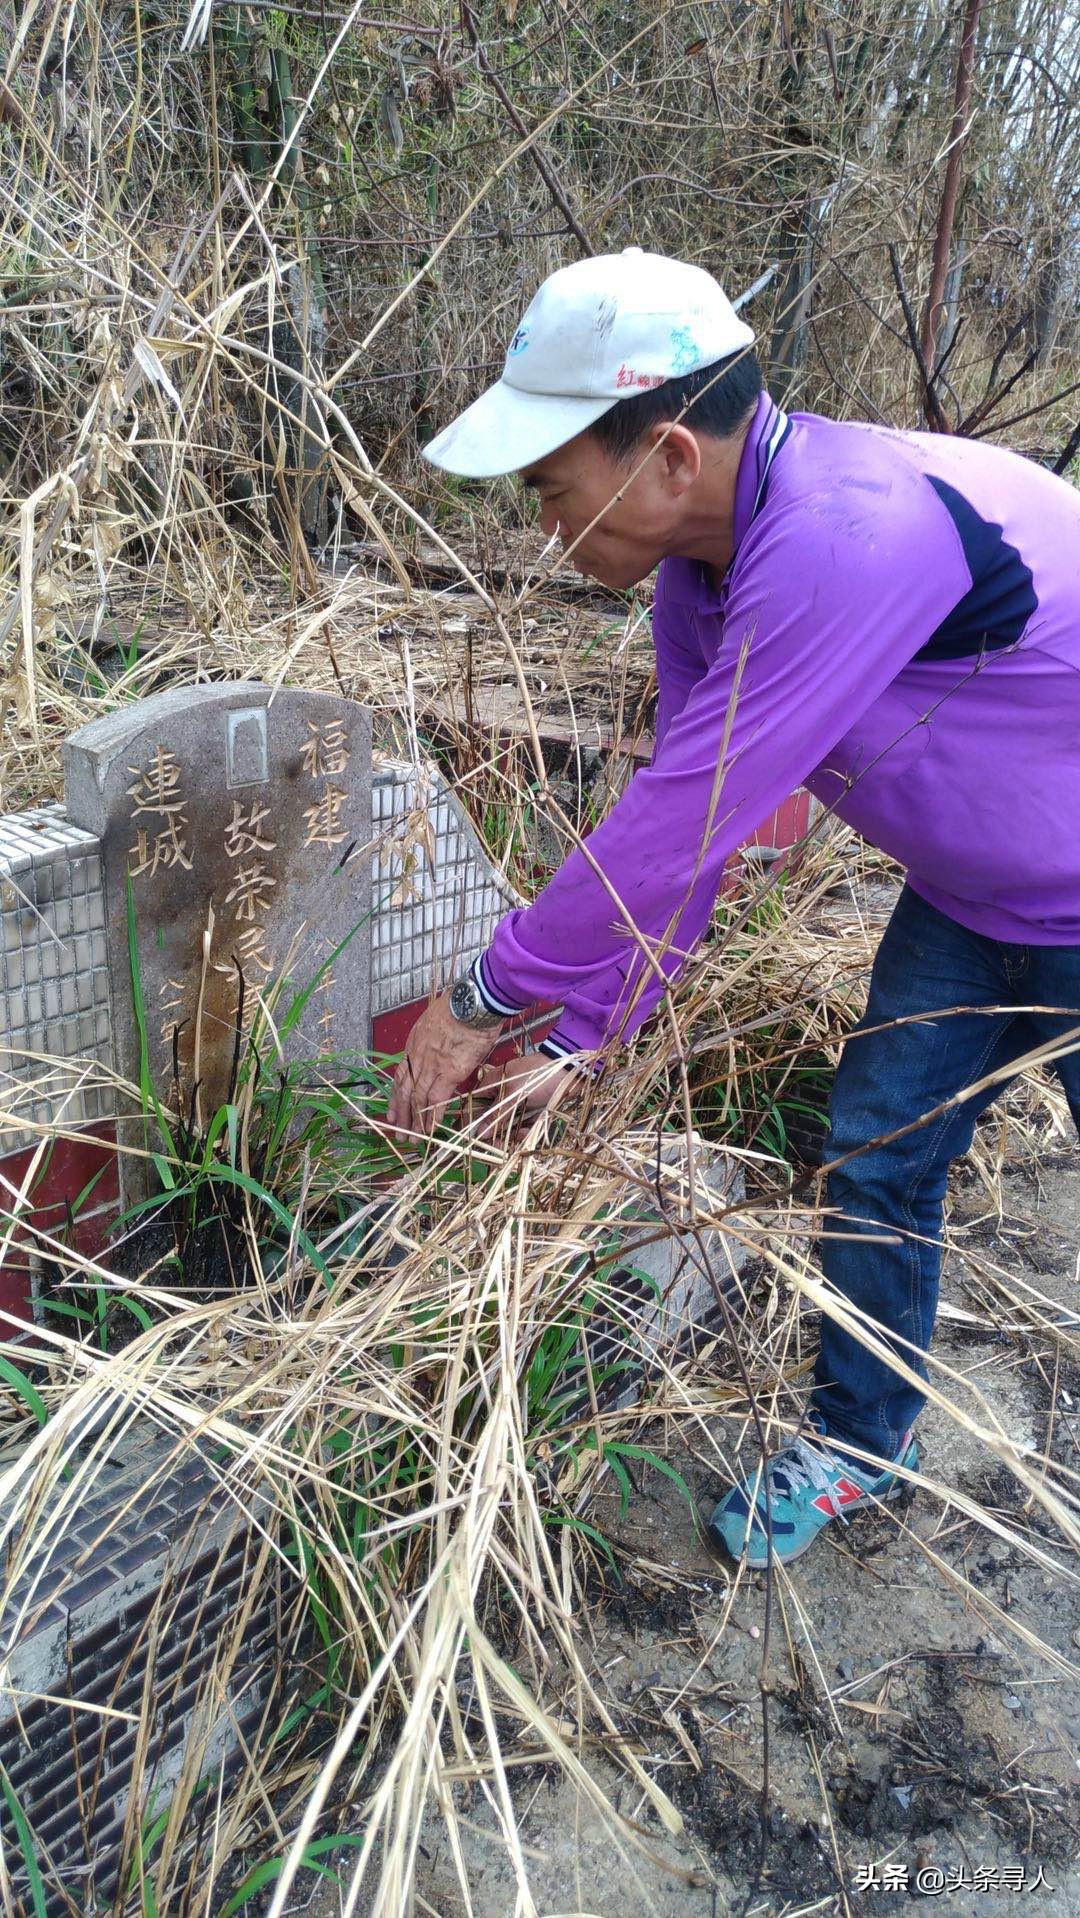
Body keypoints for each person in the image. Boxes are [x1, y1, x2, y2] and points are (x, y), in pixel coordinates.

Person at [385, 247, 1080, 1567]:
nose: (541, 525)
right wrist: (587, 1033)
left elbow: (676, 822)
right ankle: (863, 1444)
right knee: (879, 1150)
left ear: (668, 457)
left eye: (551, 489)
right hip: (975, 893)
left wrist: (485, 997)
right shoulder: (702, 578)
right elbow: (692, 821)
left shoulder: (845, 532)